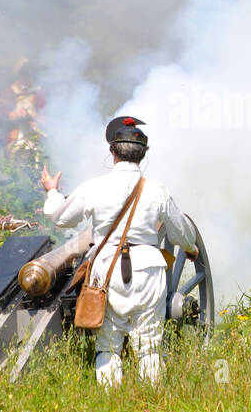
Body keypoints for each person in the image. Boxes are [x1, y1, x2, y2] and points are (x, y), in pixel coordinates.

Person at [40, 116, 197, 387]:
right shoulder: (158, 190)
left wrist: (53, 191)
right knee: (149, 347)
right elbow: (181, 233)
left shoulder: (94, 186)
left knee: (108, 346)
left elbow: (60, 217)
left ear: (112, 152)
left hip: (107, 270)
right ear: (143, 154)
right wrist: (190, 248)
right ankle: (152, 402)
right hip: (149, 271)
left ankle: (111, 403)